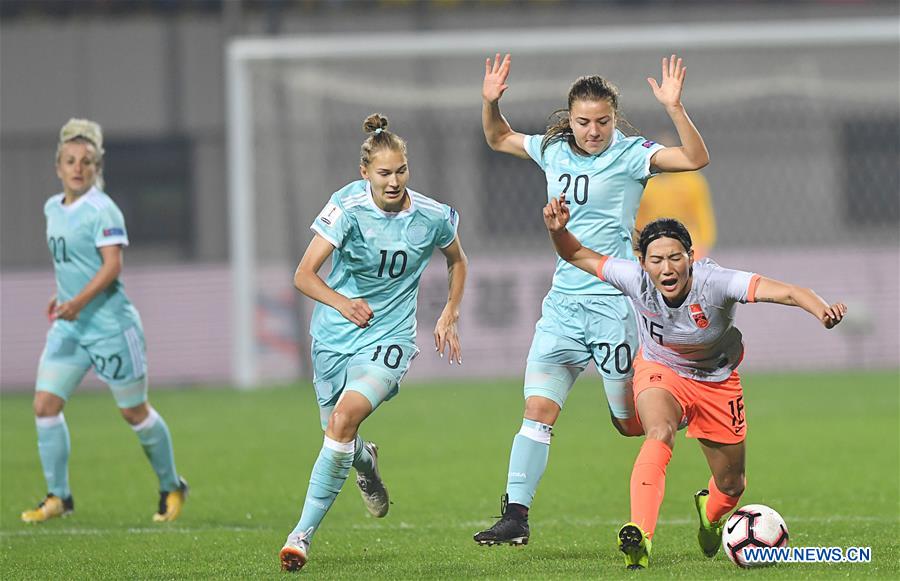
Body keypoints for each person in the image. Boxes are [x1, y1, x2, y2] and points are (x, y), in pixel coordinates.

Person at [474, 54, 710, 546]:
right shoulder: (552, 150)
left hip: (614, 306)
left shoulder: (632, 154)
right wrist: (490, 102)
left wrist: (675, 108)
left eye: (602, 121)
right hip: (563, 305)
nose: (593, 130)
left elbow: (693, 158)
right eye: (583, 121)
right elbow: (498, 137)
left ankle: (690, 405)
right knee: (538, 410)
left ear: (614, 118)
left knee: (629, 425)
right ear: (570, 118)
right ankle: (515, 516)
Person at [542, 194, 847, 569]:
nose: (666, 267)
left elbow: (787, 291)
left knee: (732, 484)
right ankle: (641, 536)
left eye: (675, 257)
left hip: (717, 380)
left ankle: (712, 513)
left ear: (690, 256)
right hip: (661, 370)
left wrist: (822, 311)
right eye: (656, 260)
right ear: (643, 263)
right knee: (659, 433)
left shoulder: (716, 282)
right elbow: (576, 254)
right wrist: (559, 231)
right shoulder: (633, 278)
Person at [279, 114, 468, 572]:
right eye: (384, 173)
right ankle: (366, 462)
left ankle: (300, 536)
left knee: (343, 420)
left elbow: (457, 261)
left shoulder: (432, 216)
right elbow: (304, 276)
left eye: (401, 170)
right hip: (333, 337)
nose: (394, 180)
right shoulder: (345, 208)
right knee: (339, 435)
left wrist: (449, 311)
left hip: (390, 337)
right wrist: (343, 303)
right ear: (365, 173)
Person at [21, 118, 188, 524]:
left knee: (134, 412)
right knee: (45, 405)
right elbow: (73, 264)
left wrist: (76, 300)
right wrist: (62, 298)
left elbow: (112, 266)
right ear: (58, 166)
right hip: (71, 326)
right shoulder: (50, 208)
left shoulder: (103, 209)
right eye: (71, 161)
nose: (78, 168)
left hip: (111, 327)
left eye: (87, 162)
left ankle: (171, 485)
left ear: (97, 169)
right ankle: (59, 497)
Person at [634, 136, 716, 259]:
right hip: (653, 239)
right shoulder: (645, 182)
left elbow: (702, 214)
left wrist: (705, 243)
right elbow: (637, 218)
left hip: (688, 239)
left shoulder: (692, 180)